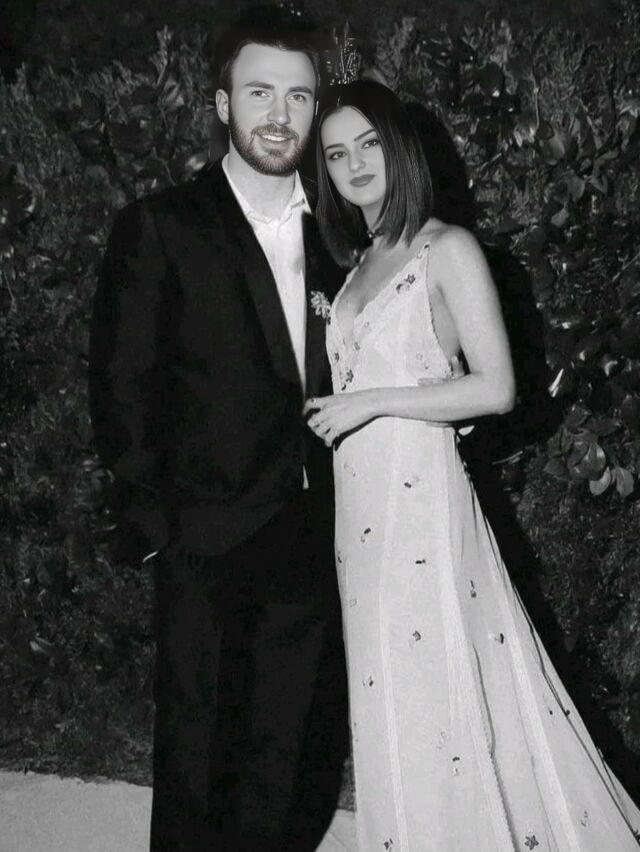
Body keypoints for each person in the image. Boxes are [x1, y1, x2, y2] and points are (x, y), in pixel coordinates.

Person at [305, 80, 640, 851]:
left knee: (447, 689)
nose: (355, 164)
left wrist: (373, 402)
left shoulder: (446, 248)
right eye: (337, 153)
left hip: (421, 507)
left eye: (368, 144)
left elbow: (495, 387)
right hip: (361, 517)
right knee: (393, 694)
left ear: (399, 148)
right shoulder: (359, 264)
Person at [89, 12, 349, 851]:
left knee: (289, 758)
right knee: (198, 759)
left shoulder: (341, 232)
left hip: (314, 534)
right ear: (222, 103)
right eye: (259, 92)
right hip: (203, 537)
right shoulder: (161, 225)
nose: (280, 114)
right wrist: (158, 524)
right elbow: (120, 383)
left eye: (298, 96)